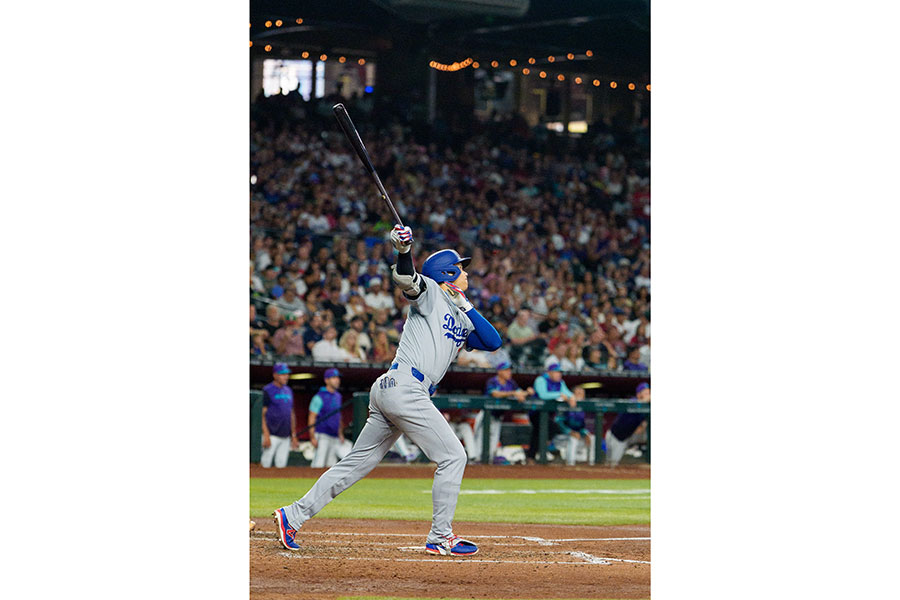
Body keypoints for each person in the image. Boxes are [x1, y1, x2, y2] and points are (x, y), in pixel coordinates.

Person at [274, 225, 502, 557]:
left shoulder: (461, 313)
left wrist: (464, 303)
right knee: (453, 455)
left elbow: (493, 342)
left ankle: (291, 515)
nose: (466, 273)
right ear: (449, 274)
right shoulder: (431, 293)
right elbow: (407, 279)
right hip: (406, 388)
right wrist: (403, 251)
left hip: (395, 389)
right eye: (461, 269)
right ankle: (440, 537)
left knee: (356, 463)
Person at [476, 361, 534, 464]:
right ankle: (475, 464)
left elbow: (519, 393)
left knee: (493, 445)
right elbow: (495, 394)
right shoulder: (492, 381)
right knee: (480, 442)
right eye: (506, 370)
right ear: (499, 371)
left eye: (509, 370)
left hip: (498, 417)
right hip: (486, 415)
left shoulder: (511, 383)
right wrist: (513, 393)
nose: (509, 372)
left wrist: (527, 392)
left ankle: (486, 467)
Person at [527, 363, 575, 462]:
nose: (559, 374)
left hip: (548, 413)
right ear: (549, 372)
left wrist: (572, 397)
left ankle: (531, 456)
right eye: (556, 372)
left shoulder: (560, 382)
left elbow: (568, 393)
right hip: (535, 412)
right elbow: (543, 395)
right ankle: (542, 451)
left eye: (560, 372)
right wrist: (560, 395)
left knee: (537, 433)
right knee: (552, 428)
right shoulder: (541, 380)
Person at [260, 363, 299, 468]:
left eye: (287, 374)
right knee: (265, 464)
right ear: (275, 375)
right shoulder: (267, 390)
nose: (286, 376)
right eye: (282, 374)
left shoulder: (288, 390)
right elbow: (261, 414)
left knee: (281, 466)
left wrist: (293, 435)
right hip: (271, 434)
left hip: (285, 435)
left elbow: (291, 413)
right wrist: (266, 435)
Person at [605, 382, 650, 467]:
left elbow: (643, 424)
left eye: (649, 393)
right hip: (614, 436)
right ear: (638, 394)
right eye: (646, 393)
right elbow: (637, 406)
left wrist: (643, 425)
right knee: (608, 463)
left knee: (613, 464)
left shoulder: (647, 406)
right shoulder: (633, 401)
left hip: (625, 438)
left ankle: (638, 452)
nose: (648, 395)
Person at [308, 368, 346, 468]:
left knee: (332, 465)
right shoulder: (319, 396)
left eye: (337, 377)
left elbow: (338, 416)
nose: (337, 380)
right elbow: (312, 417)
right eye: (333, 377)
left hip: (334, 435)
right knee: (318, 463)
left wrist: (340, 433)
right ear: (326, 380)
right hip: (322, 434)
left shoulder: (338, 396)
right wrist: (312, 437)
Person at [553, 385, 595, 465]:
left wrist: (585, 433)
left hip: (576, 436)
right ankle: (570, 464)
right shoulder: (564, 404)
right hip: (560, 437)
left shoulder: (583, 408)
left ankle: (592, 463)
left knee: (592, 438)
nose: (580, 396)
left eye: (582, 394)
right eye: (578, 393)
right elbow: (558, 422)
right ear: (572, 394)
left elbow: (581, 427)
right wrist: (570, 432)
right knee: (573, 439)